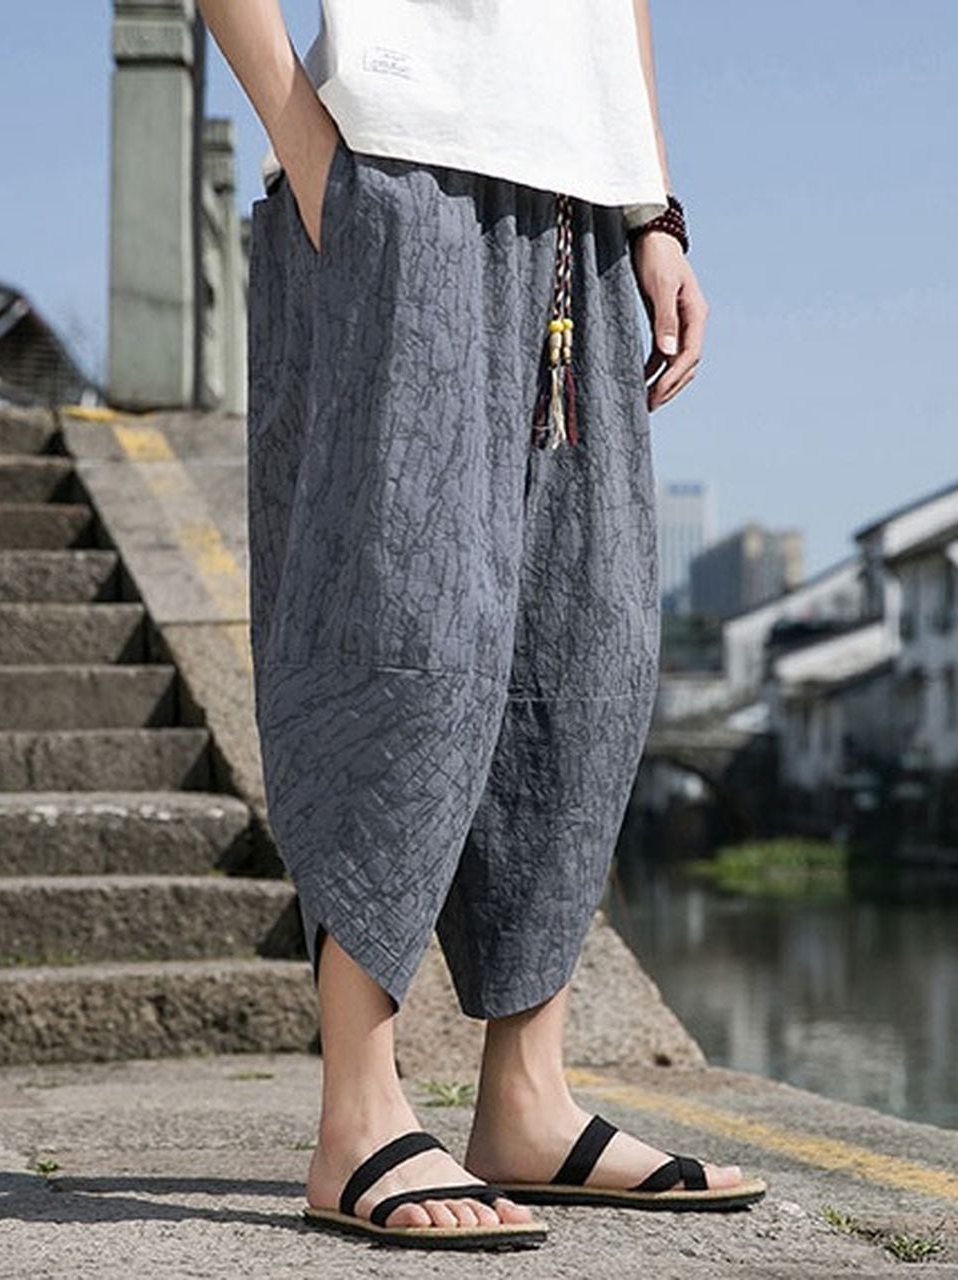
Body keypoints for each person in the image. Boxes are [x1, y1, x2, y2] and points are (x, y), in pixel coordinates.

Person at [197, 0, 765, 1250]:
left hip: (582, 207)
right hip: (397, 164)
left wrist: (652, 211)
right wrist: (310, 150)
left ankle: (526, 1097)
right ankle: (357, 1109)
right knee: (402, 632)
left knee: (582, 646)